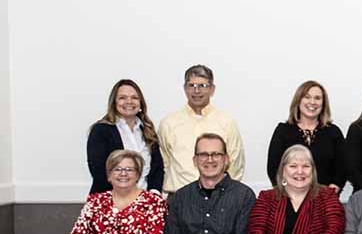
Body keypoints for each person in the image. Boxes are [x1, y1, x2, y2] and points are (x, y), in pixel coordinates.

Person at [157, 64, 245, 195]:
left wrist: (225, 195)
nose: (196, 91)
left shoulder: (226, 122)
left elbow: (235, 164)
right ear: (185, 88)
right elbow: (164, 162)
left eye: (202, 86)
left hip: (219, 197)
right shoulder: (169, 123)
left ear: (212, 89)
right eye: (191, 85)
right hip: (178, 198)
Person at [266, 80, 346, 194]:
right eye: (307, 97)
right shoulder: (283, 131)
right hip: (289, 197)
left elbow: (342, 167)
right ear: (298, 101)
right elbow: (273, 167)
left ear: (323, 104)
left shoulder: (333, 132)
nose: (312, 102)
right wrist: (285, 193)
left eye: (317, 98)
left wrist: (331, 192)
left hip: (325, 200)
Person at [86, 79, 164, 194]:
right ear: (114, 103)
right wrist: (125, 198)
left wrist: (153, 195)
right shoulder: (100, 130)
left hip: (145, 203)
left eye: (134, 98)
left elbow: (157, 168)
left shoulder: (148, 130)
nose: (129, 101)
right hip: (110, 202)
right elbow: (99, 171)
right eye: (122, 98)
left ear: (141, 103)